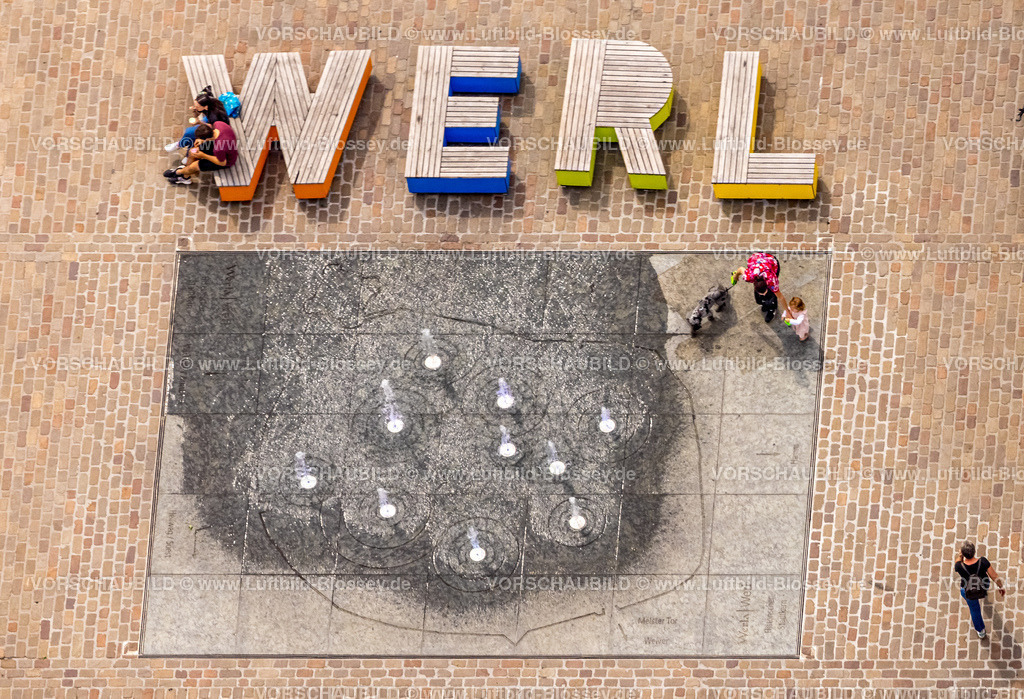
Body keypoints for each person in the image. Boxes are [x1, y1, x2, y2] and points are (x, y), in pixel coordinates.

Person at [954, 541, 1007, 639]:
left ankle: (981, 631)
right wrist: (1001, 587)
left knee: (974, 610)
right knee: (984, 587)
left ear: (963, 554)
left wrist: (960, 555)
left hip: (967, 591)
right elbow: (994, 576)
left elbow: (958, 561)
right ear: (974, 551)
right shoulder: (983, 561)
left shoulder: (959, 566)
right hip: (983, 586)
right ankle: (982, 594)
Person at [163, 121, 238, 185]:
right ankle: (185, 176)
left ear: (206, 138)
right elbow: (210, 128)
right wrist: (202, 140)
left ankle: (178, 172)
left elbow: (222, 163)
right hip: (225, 147)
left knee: (194, 166)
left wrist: (203, 155)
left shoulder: (219, 149)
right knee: (192, 151)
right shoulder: (218, 124)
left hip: (227, 160)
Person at [164, 87, 230, 154]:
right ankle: (187, 152)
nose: (195, 107)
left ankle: (180, 145)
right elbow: (207, 88)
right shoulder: (205, 99)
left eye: (197, 107)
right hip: (210, 119)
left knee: (190, 132)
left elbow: (212, 129)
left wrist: (199, 122)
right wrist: (196, 110)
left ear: (206, 107)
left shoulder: (214, 116)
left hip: (218, 128)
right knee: (193, 134)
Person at [731, 253, 787, 323]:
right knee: (759, 300)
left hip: (771, 262)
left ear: (767, 285)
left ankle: (772, 309)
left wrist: (788, 312)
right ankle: (765, 303)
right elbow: (740, 269)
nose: (763, 294)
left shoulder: (771, 281)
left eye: (764, 292)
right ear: (754, 284)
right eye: (761, 293)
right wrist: (735, 276)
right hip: (757, 260)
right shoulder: (749, 277)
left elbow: (781, 297)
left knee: (771, 295)